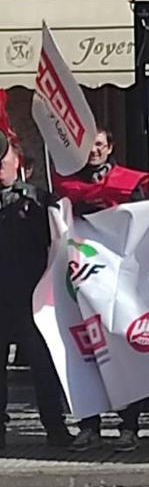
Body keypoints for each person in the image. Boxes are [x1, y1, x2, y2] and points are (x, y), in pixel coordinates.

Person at [57, 129, 149, 453]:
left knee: (124, 349)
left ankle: (129, 426)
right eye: (90, 146)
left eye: (100, 145)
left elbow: (143, 223)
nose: (94, 151)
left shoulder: (131, 182)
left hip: (121, 281)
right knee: (86, 353)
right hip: (82, 283)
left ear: (110, 148)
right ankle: (89, 426)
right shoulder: (67, 186)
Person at [0, 132, 73, 449]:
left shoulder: (39, 201)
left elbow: (62, 239)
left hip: (31, 298)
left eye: (2, 161)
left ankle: (55, 427)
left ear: (18, 162)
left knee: (43, 367)